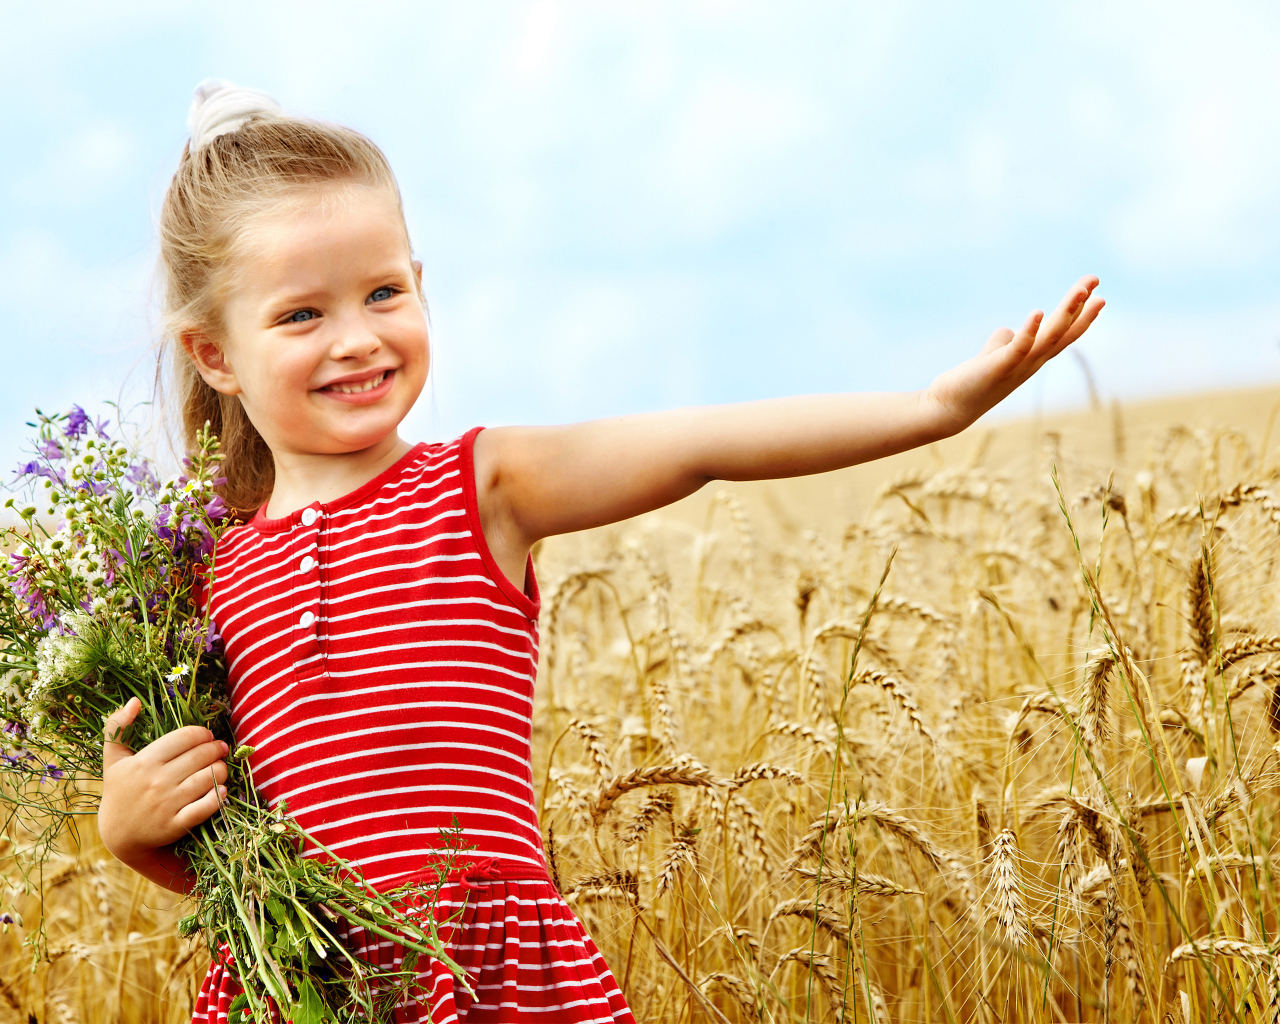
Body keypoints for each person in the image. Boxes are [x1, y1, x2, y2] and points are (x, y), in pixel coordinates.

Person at [96, 80, 1104, 1024]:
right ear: (215, 353)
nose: (356, 337)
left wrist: (931, 409)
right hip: (304, 981)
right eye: (302, 314)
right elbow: (233, 856)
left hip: (490, 973)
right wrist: (132, 834)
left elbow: (700, 447)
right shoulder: (199, 574)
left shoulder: (480, 485)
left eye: (384, 293)